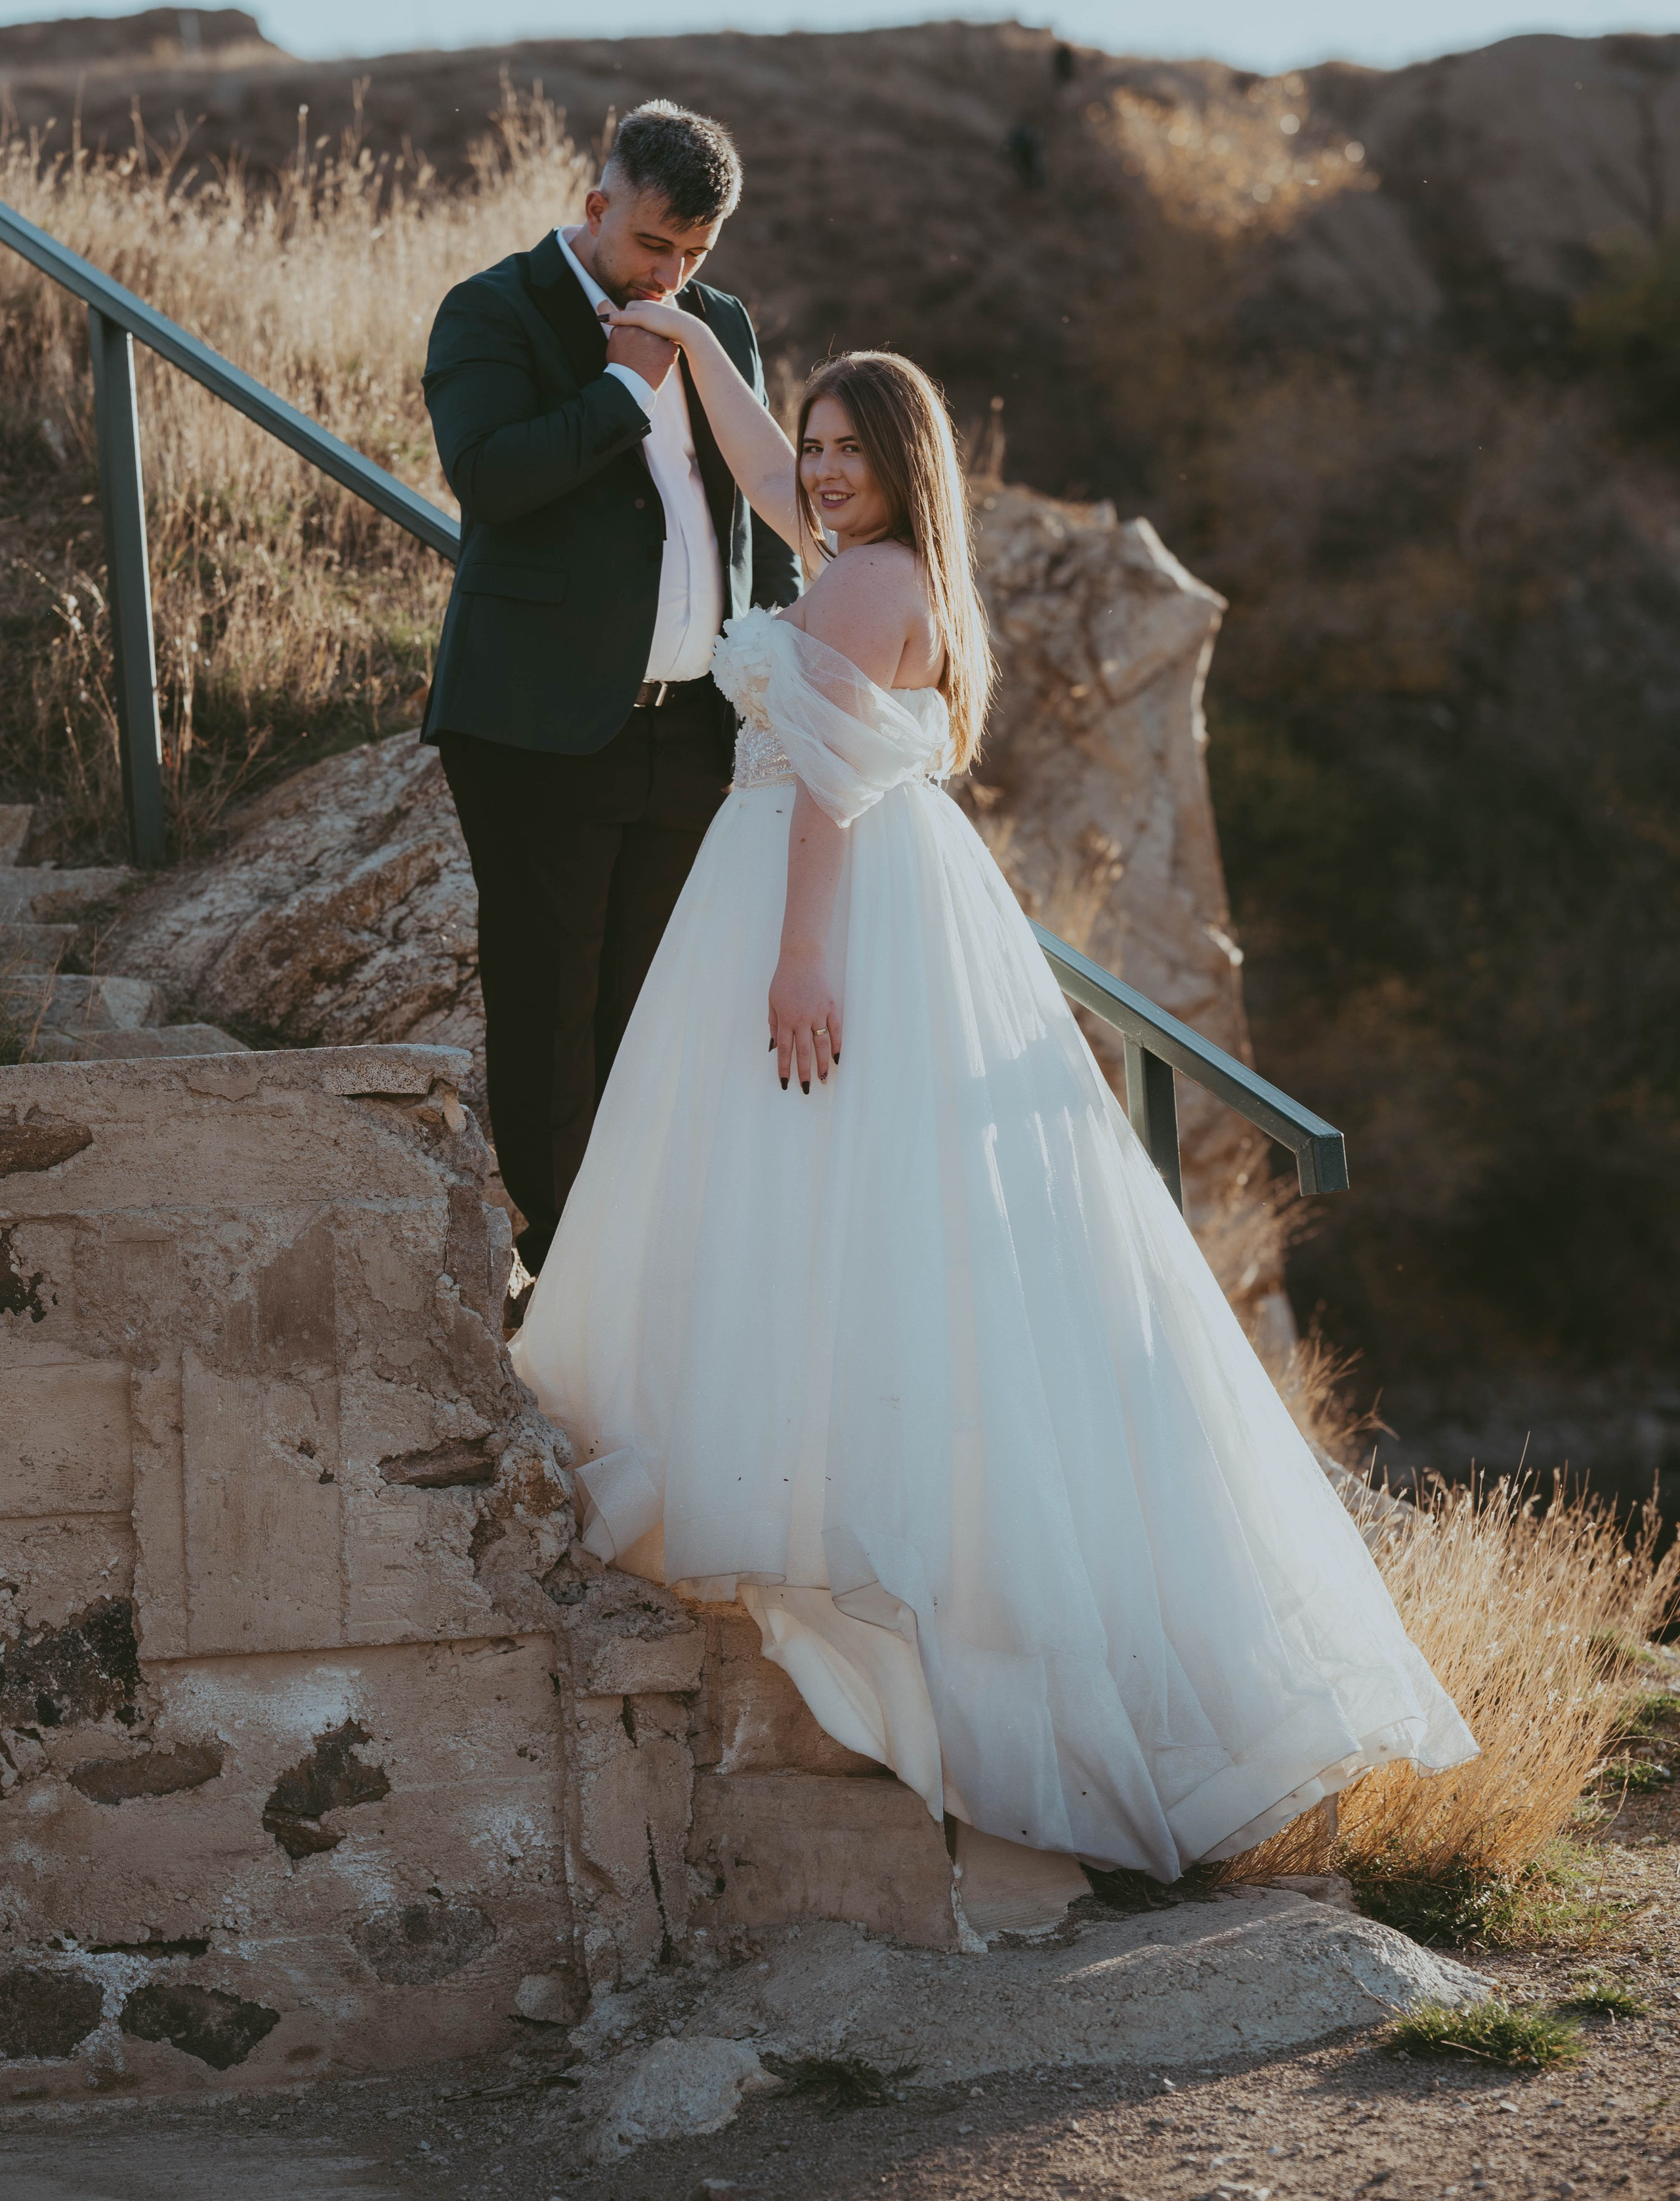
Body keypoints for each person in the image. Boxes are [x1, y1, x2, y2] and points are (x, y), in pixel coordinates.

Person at [510, 324, 1476, 1881]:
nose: (819, 473)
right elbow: (758, 475)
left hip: (816, 903)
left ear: (906, 467)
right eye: (817, 448)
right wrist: (692, 339)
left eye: (849, 452)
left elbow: (818, 781)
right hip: (894, 893)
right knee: (893, 1215)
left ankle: (837, 1534)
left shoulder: (853, 585)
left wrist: (799, 960)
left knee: (802, 1182)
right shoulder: (901, 574)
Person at [421, 101, 801, 1280]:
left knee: (657, 1005)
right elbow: (491, 478)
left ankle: (642, 1269)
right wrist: (628, 387)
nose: (674, 276)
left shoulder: (719, 321)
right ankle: (565, 1268)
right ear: (598, 208)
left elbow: (756, 514)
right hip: (539, 731)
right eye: (655, 246)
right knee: (550, 1006)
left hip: (690, 736)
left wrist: (778, 652)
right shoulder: (493, 309)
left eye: (696, 253)